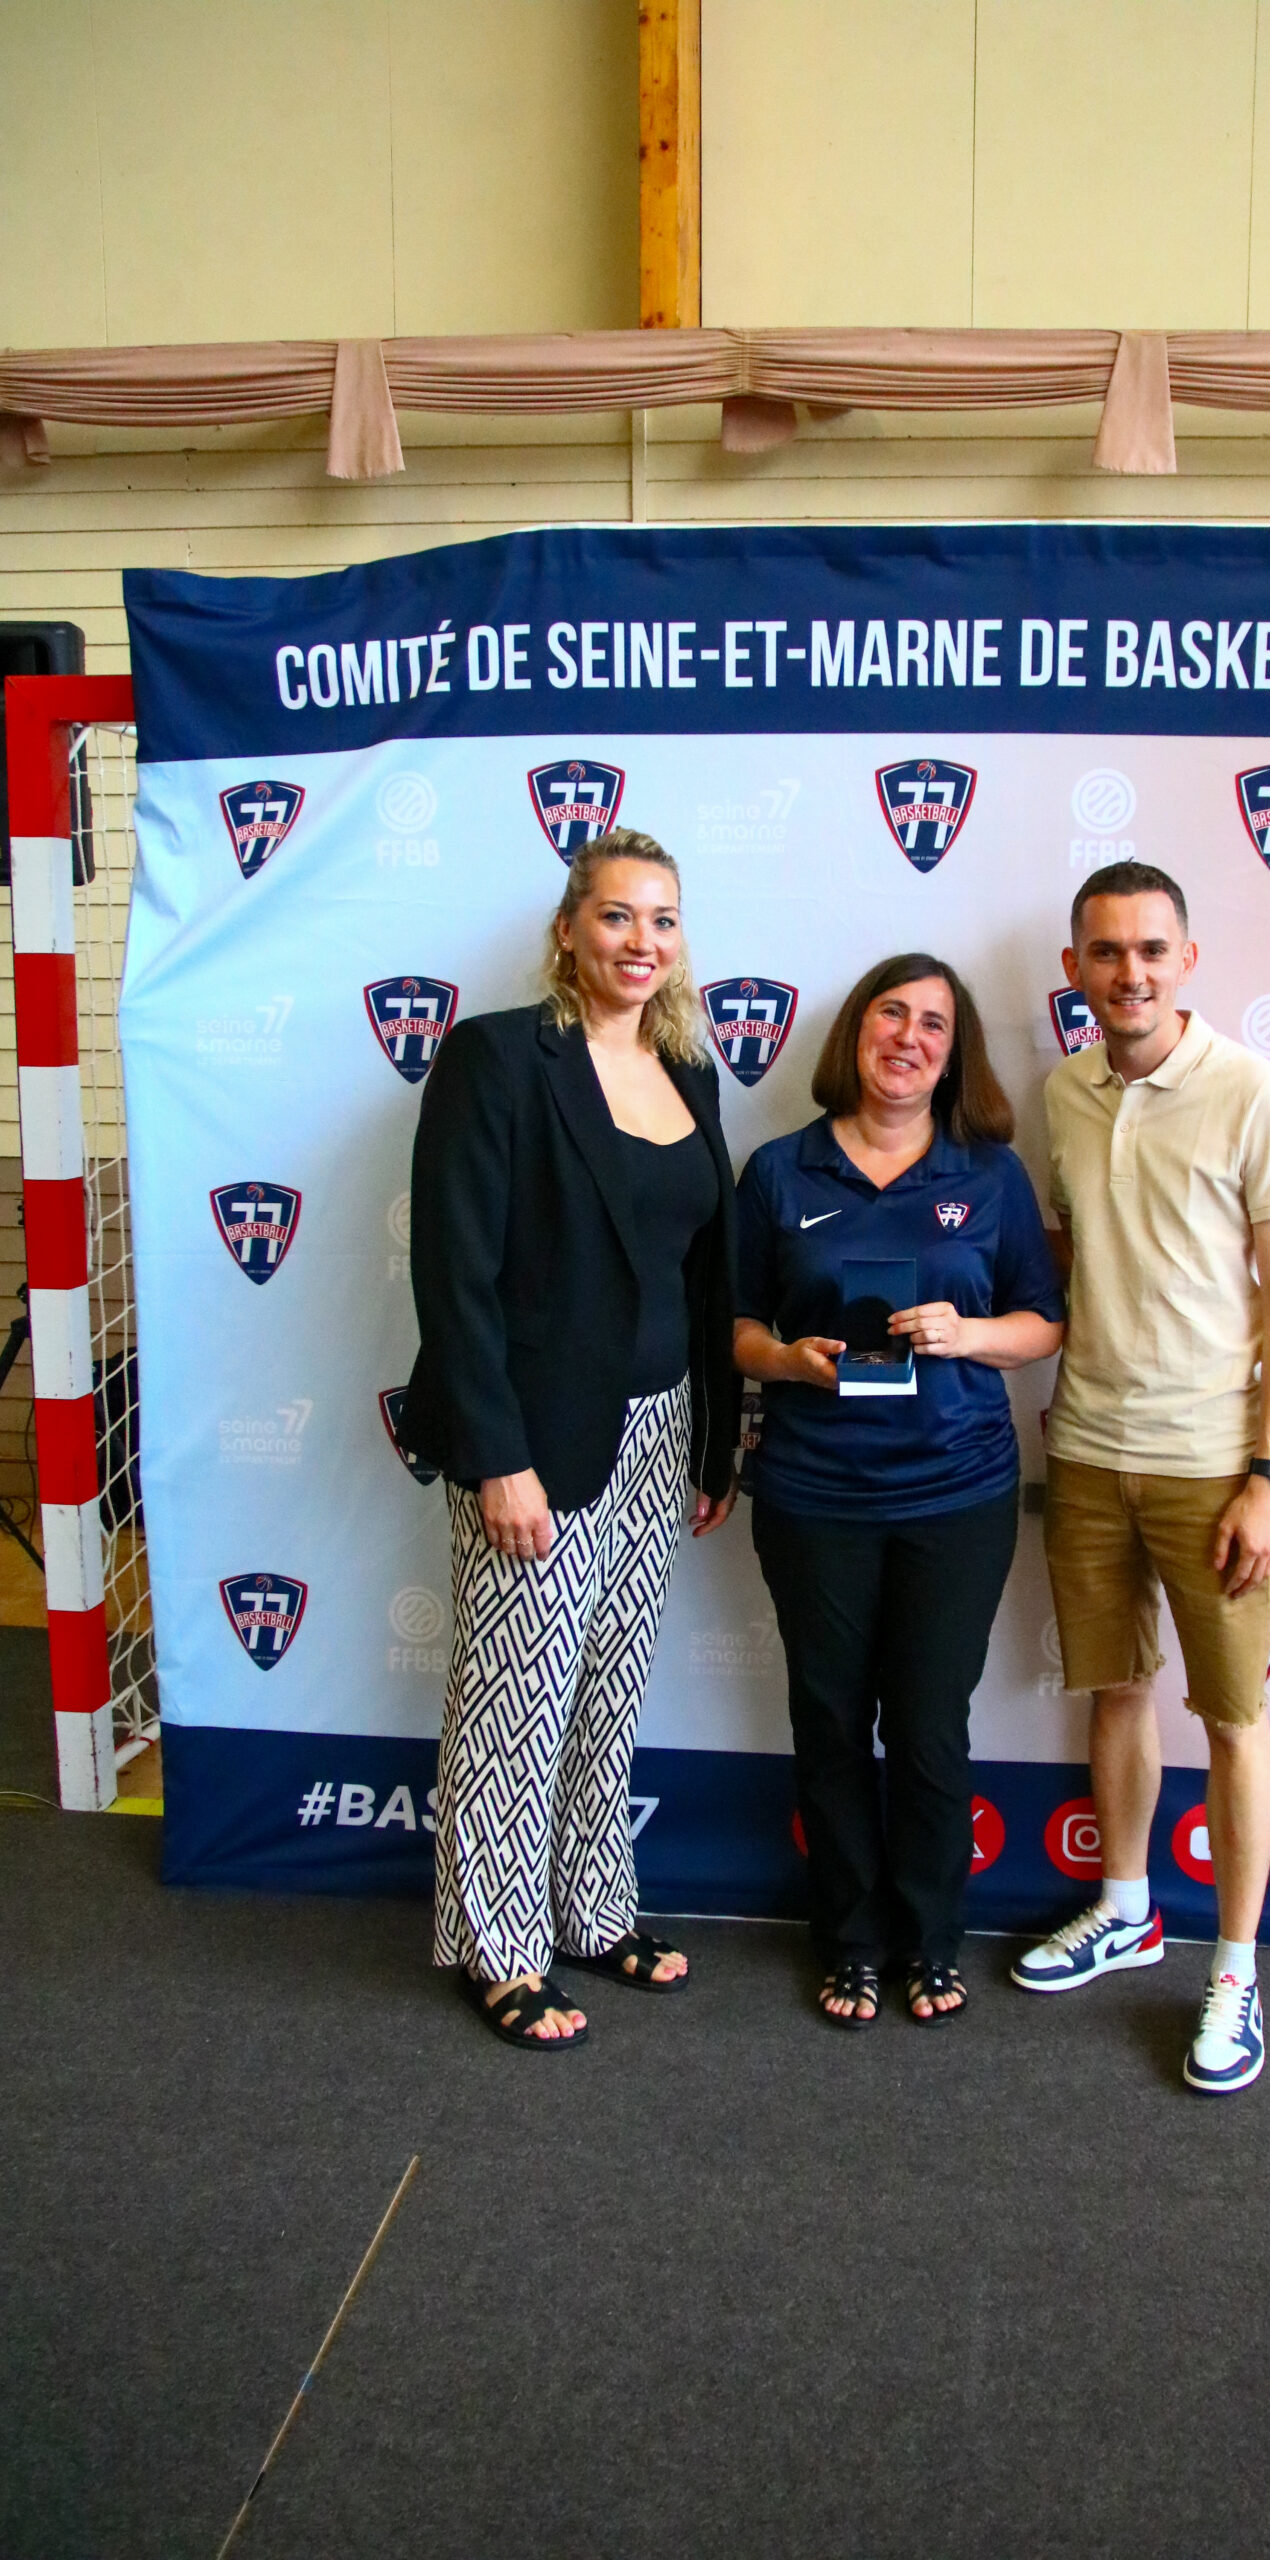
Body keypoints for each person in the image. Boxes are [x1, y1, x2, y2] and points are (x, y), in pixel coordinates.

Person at [402, 829, 739, 2048]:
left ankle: (593, 1909)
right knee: (519, 1694)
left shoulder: (689, 1068)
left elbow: (702, 1273)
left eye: (663, 919)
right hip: (535, 1434)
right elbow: (455, 1276)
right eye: (616, 916)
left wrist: (713, 1444)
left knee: (609, 1682)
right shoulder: (497, 1057)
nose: (643, 941)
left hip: (658, 1426)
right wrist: (499, 1457)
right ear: (567, 929)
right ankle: (499, 1948)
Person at [1011, 861, 1270, 2096]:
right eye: (1105, 951)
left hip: (1213, 1465)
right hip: (1089, 1449)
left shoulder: (1252, 1090)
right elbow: (1069, 1259)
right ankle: (1128, 1907)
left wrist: (1269, 1475)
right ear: (1074, 970)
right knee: (1118, 1693)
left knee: (1234, 1719)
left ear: (1187, 959)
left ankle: (1236, 1971)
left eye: (1151, 949)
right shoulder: (1063, 1092)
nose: (1128, 972)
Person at [734, 955, 1065, 2029]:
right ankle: (849, 1942)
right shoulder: (779, 1170)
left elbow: (1043, 1324)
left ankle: (929, 1940)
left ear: (954, 1054)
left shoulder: (991, 1175)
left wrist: (968, 1334)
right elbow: (736, 1328)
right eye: (892, 1014)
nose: (909, 1038)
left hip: (955, 1495)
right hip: (814, 1492)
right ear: (856, 1031)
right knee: (831, 1721)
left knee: (927, 1727)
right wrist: (790, 1362)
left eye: (934, 1024)